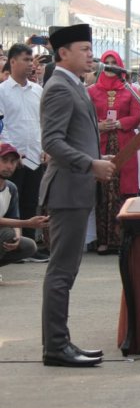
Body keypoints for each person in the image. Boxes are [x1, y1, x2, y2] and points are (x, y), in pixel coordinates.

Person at [40, 23, 114, 367]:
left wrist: (99, 161)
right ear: (63, 53)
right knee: (61, 272)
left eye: (90, 48)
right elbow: (52, 142)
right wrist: (90, 164)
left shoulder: (77, 86)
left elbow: (77, 136)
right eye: (83, 49)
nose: (90, 54)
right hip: (67, 189)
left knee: (66, 271)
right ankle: (56, 347)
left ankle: (61, 342)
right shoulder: (58, 87)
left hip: (77, 187)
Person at [88, 51, 140, 255]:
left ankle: (122, 240)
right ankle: (103, 240)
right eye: (106, 63)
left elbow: (136, 116)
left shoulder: (130, 90)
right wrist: (99, 125)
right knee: (103, 194)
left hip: (124, 144)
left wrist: (120, 123)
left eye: (114, 63)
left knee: (124, 192)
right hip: (100, 145)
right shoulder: (92, 91)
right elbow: (86, 118)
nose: (110, 67)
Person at [0, 43, 47, 261]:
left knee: (31, 200)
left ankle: (28, 245)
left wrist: (46, 147)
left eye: (32, 60)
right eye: (26, 60)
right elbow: (2, 125)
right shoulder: (2, 91)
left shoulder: (38, 90)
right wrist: (11, 152)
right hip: (11, 158)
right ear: (12, 62)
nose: (31, 64)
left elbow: (43, 122)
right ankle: (11, 244)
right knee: (12, 202)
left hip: (36, 155)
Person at [0, 143, 47, 274]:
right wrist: (27, 223)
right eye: (4, 160)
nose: (9, 166)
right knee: (7, 234)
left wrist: (17, 237)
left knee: (28, 246)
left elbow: (14, 217)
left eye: (13, 162)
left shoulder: (11, 188)